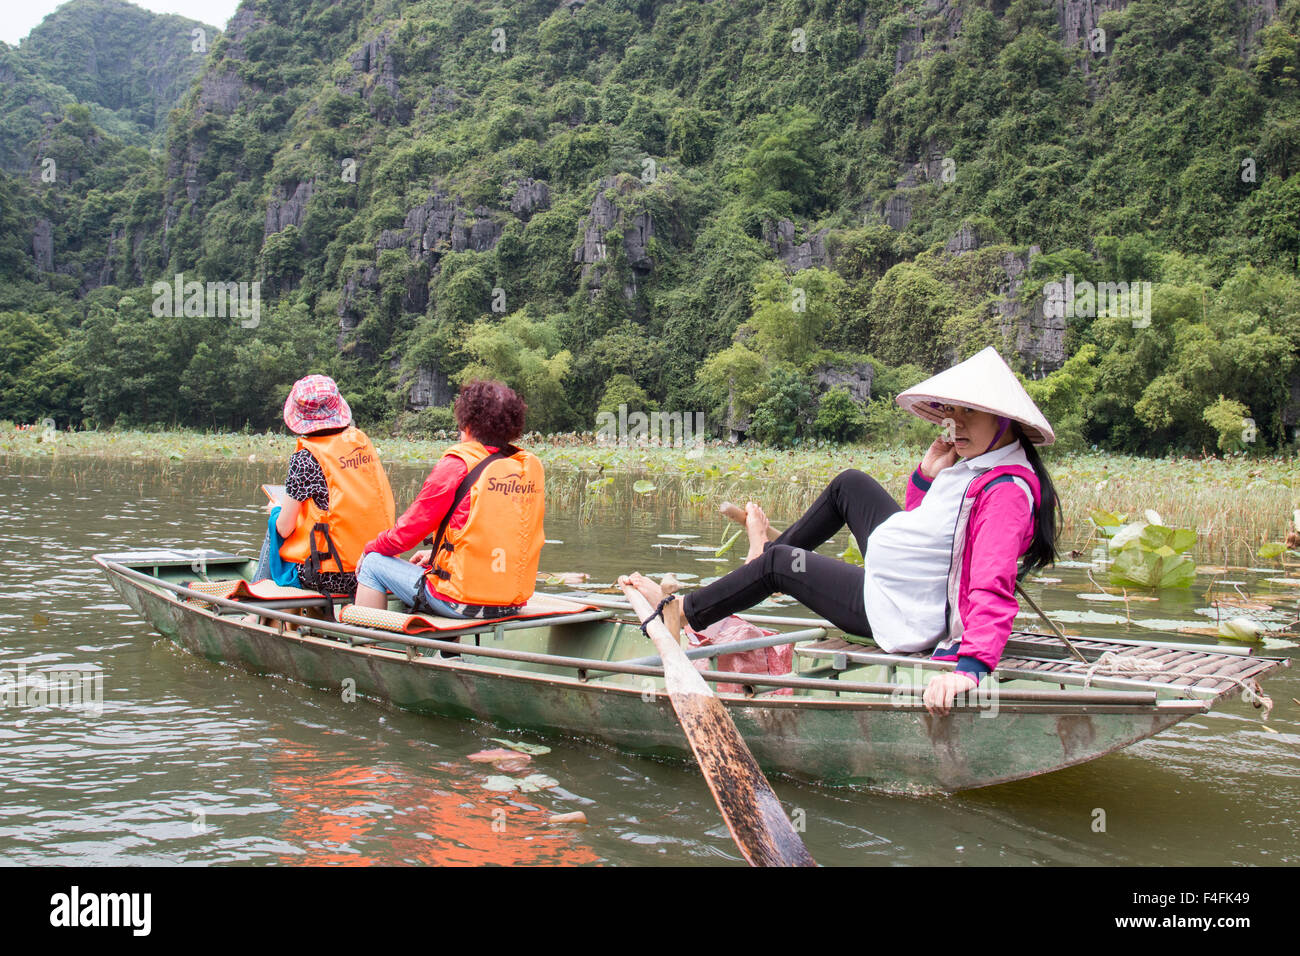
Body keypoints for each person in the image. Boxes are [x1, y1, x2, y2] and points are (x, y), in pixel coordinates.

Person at [621, 346, 1062, 716]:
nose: (954, 424)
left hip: (899, 611)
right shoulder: (979, 465)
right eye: (953, 411)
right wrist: (928, 473)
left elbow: (991, 581)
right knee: (850, 484)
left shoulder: (1005, 491)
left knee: (781, 564)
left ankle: (688, 610)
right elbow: (928, 532)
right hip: (903, 580)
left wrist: (971, 668)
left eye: (970, 412)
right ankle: (760, 561)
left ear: (1005, 421)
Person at [354, 380, 545, 620]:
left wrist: (369, 548)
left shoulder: (457, 464)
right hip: (512, 602)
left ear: (466, 424)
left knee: (373, 564)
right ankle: (448, 656)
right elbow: (490, 537)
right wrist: (436, 554)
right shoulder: (523, 468)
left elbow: (406, 534)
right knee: (430, 570)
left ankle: (368, 646)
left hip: (459, 603)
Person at [252, 374, 396, 599]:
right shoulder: (361, 442)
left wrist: (276, 511)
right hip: (373, 565)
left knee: (274, 524)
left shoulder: (305, 458)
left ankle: (253, 605)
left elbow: (285, 528)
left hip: (331, 573)